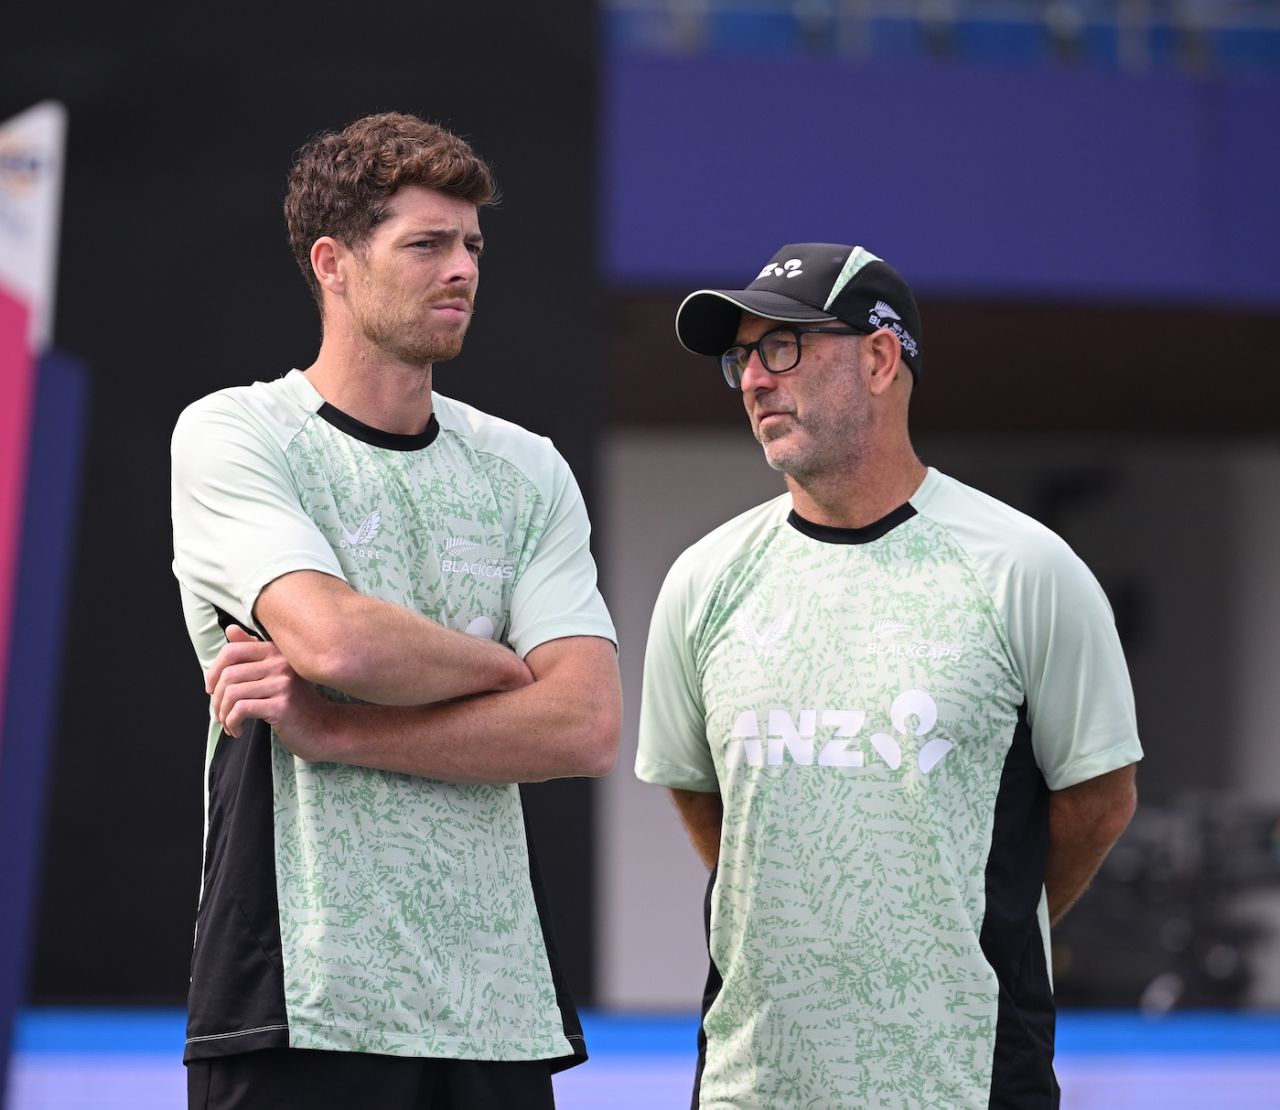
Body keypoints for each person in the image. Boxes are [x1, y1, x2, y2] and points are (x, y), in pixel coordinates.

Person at [170, 112, 621, 1110]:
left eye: (470, 246)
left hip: (496, 1008)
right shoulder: (237, 433)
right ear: (332, 262)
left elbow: (584, 723)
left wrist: (331, 728)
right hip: (297, 997)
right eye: (424, 244)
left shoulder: (523, 467)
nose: (459, 268)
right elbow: (332, 636)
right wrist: (505, 667)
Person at [635, 242, 1141, 1108]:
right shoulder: (704, 580)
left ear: (879, 357)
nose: (755, 378)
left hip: (967, 1074)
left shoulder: (1026, 568)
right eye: (742, 356)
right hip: (754, 1079)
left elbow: (1098, 800)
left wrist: (959, 928)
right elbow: (703, 796)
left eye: (783, 346)